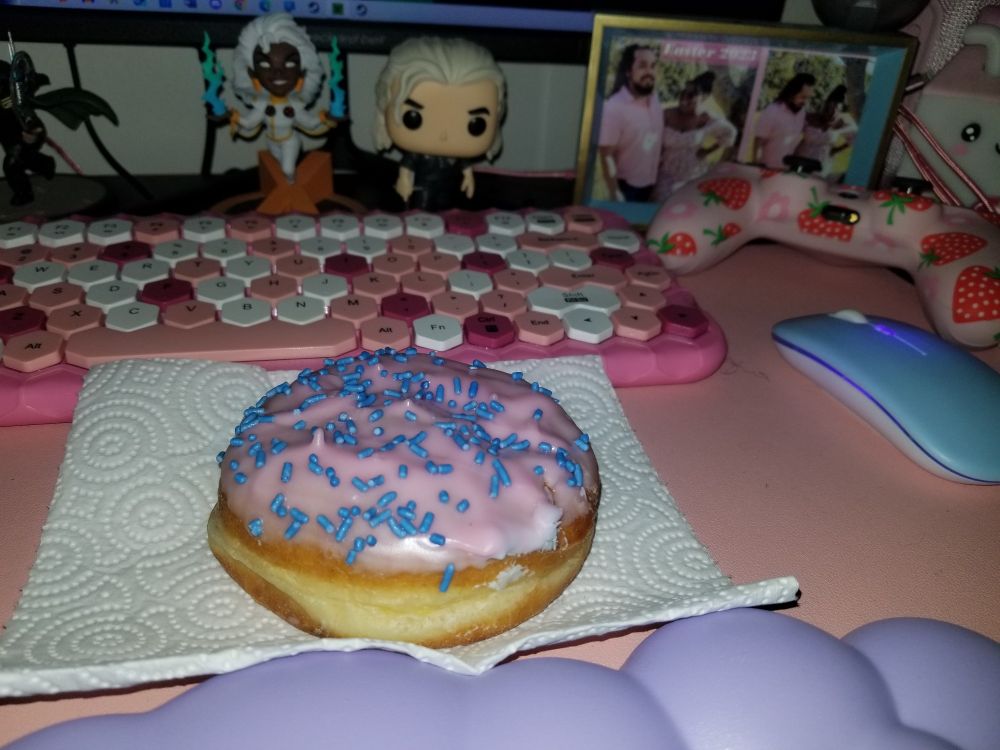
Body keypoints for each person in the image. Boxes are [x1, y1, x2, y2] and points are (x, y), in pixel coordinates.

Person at [374, 36, 506, 211]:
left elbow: (465, 166)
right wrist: (404, 181)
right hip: (423, 189)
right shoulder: (416, 157)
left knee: (448, 211)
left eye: (476, 124)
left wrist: (468, 177)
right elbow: (407, 167)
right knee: (422, 213)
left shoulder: (458, 159)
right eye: (413, 118)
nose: (444, 135)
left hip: (449, 188)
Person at [230, 13, 334, 183]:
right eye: (265, 64)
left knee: (287, 169)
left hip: (290, 141)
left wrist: (324, 117)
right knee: (277, 168)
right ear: (252, 73)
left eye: (289, 64)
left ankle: (291, 188)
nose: (278, 73)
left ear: (302, 72)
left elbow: (309, 122)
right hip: (271, 142)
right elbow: (249, 123)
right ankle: (285, 192)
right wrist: (234, 117)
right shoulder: (262, 104)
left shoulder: (295, 105)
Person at [653, 71, 738, 201]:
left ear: (703, 97)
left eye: (691, 95)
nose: (684, 99)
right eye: (683, 94)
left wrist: (707, 151)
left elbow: (730, 132)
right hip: (666, 174)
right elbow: (652, 141)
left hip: (693, 175)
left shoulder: (705, 118)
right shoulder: (667, 114)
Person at [597, 44, 663, 202]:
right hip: (629, 189)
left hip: (656, 183)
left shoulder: (654, 99)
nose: (650, 72)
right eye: (642, 66)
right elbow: (606, 156)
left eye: (653, 66)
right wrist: (616, 193)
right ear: (628, 71)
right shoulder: (614, 107)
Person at [753, 72, 816, 170]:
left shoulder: (801, 113)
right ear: (792, 92)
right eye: (803, 97)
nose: (805, 102)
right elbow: (758, 143)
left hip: (787, 171)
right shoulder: (772, 110)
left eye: (808, 98)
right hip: (767, 170)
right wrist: (757, 167)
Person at [793, 85, 858, 177]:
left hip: (821, 165)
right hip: (800, 160)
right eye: (828, 108)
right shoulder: (810, 118)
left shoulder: (841, 125)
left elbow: (856, 138)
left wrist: (835, 150)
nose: (831, 112)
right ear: (825, 106)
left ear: (840, 110)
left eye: (836, 109)